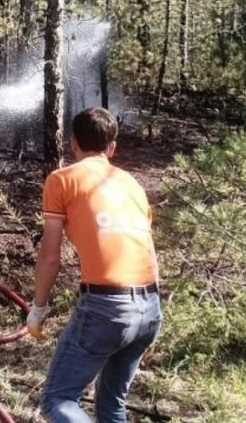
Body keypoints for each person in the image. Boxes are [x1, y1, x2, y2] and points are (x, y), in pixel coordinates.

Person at [27, 107, 162, 423]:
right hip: (149, 307)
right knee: (112, 404)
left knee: (58, 401)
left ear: (73, 143)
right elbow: (149, 251)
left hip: (106, 308)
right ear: (112, 148)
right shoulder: (132, 185)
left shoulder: (61, 180)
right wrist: (154, 319)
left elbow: (50, 256)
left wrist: (38, 309)